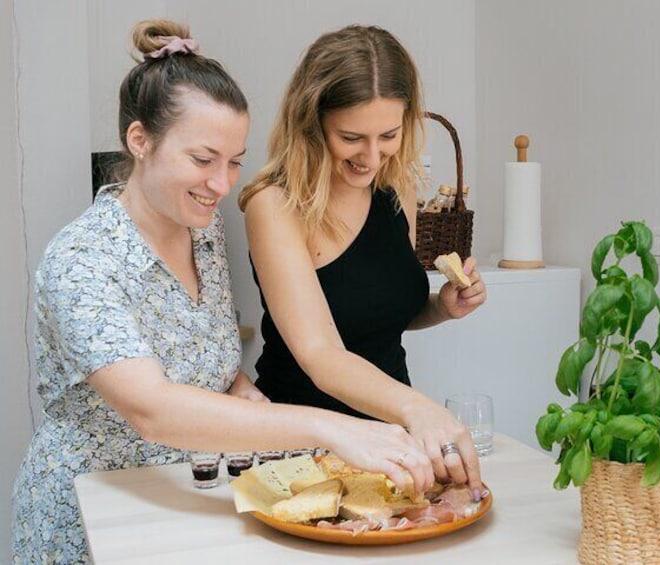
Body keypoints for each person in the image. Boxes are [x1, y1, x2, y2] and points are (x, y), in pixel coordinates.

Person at [12, 20, 433, 565]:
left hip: (189, 491)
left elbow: (194, 351)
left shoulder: (200, 227)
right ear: (140, 141)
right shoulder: (81, 260)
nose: (223, 183)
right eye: (202, 159)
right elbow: (152, 408)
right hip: (96, 510)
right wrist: (332, 427)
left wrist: (238, 385)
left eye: (234, 161)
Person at [238, 25, 488, 497]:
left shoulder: (397, 188)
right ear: (311, 124)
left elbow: (377, 312)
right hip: (300, 448)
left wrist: (440, 306)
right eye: (351, 137)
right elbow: (322, 355)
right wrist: (421, 409)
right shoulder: (273, 206)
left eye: (388, 135)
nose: (372, 157)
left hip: (395, 444)